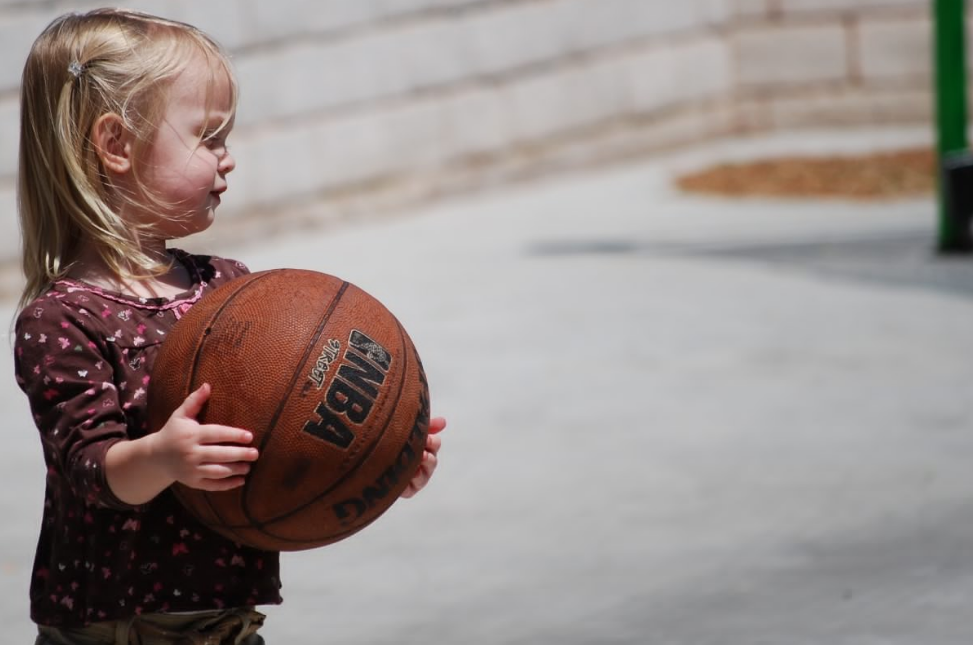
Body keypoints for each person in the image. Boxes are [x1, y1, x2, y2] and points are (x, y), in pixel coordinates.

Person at [13, 8, 446, 645]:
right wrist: (163, 455)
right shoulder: (63, 317)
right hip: (118, 627)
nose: (229, 158)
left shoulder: (227, 287)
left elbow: (279, 440)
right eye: (209, 136)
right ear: (117, 145)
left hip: (224, 624)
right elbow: (90, 468)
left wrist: (376, 454)